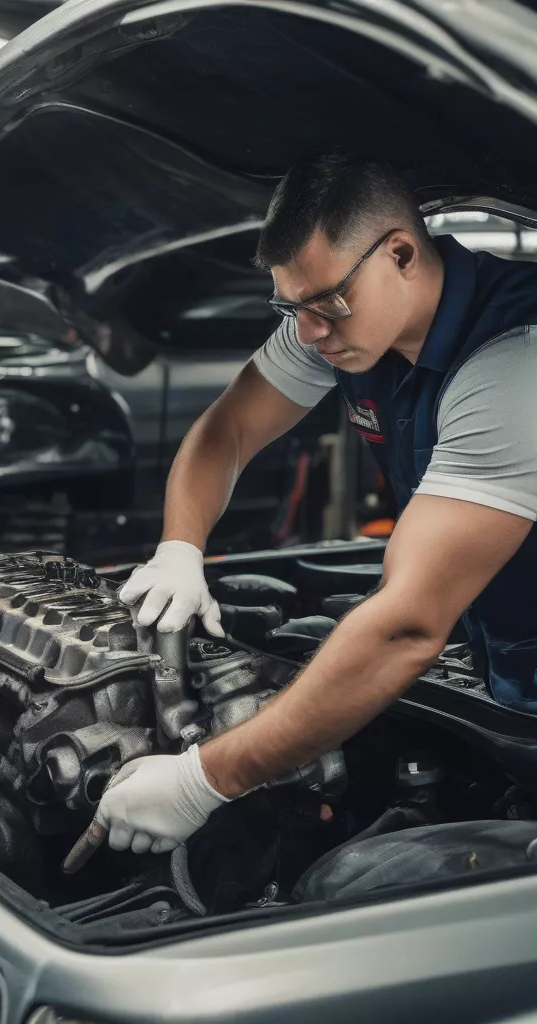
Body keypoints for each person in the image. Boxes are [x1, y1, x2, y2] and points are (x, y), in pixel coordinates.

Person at [100, 149, 537, 857]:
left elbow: (406, 627)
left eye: (325, 304)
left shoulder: (517, 358)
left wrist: (204, 780)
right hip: (502, 645)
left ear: (400, 252)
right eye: (289, 307)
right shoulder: (337, 317)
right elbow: (229, 428)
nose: (307, 332)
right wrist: (180, 548)